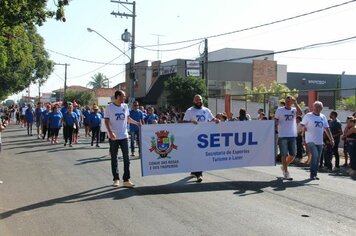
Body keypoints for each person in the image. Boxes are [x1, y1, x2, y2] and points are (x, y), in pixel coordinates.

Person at [104, 90, 141, 188]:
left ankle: (126, 179)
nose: (124, 98)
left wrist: (137, 123)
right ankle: (116, 179)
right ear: (117, 97)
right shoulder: (109, 107)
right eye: (123, 96)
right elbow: (106, 121)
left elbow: (127, 119)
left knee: (126, 158)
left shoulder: (125, 106)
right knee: (114, 158)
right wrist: (110, 133)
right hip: (114, 137)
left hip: (124, 136)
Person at [183, 94, 220, 182]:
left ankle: (198, 173)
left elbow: (212, 119)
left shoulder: (206, 110)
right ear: (194, 101)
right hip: (193, 136)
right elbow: (183, 121)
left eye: (200, 100)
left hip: (204, 137)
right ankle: (196, 172)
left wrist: (216, 120)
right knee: (195, 155)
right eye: (197, 100)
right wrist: (191, 121)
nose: (199, 102)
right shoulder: (190, 111)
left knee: (201, 154)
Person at [301, 101, 334, 180]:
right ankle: (312, 174)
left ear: (321, 108)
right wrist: (303, 128)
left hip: (319, 141)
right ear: (313, 107)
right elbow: (302, 124)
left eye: (319, 107)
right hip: (310, 140)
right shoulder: (308, 116)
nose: (317, 108)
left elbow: (327, 128)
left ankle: (315, 173)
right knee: (315, 155)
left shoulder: (323, 117)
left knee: (318, 158)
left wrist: (331, 138)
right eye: (316, 107)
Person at [274, 95, 302, 180]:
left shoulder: (294, 110)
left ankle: (284, 166)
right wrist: (275, 125)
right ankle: (286, 172)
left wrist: (296, 103)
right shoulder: (280, 110)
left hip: (292, 135)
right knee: (284, 154)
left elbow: (300, 113)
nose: (288, 103)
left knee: (293, 154)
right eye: (287, 101)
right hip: (283, 135)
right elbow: (275, 119)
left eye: (290, 101)